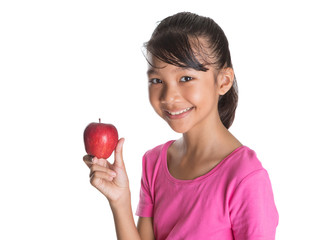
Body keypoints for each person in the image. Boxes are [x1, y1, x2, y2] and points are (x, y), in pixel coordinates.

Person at [83, 12, 279, 240]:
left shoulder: (245, 177)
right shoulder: (154, 163)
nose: (169, 96)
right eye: (157, 80)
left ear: (223, 81)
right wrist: (119, 200)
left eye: (186, 78)